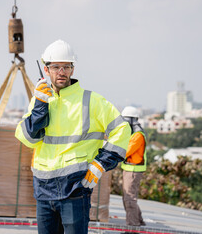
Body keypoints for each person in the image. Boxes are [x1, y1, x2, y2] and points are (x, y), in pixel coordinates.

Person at [15, 39, 131, 234]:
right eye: (56, 67)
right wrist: (39, 108)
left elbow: (122, 129)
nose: (62, 72)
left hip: (75, 188)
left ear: (72, 69)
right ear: (46, 70)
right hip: (44, 189)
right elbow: (27, 138)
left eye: (66, 67)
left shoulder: (91, 101)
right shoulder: (40, 99)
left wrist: (100, 165)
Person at [121, 106, 147, 226]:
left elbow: (126, 151)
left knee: (129, 199)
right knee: (128, 198)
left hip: (133, 170)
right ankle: (139, 221)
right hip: (129, 169)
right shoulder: (133, 134)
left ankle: (133, 226)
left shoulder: (138, 135)